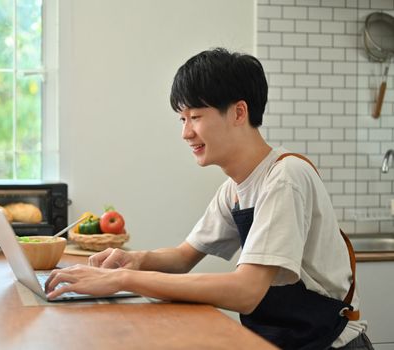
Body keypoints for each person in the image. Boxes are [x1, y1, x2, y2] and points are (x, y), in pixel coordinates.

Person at [45, 48, 372, 349]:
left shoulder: (285, 178)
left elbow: (246, 292)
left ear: (239, 112)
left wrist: (121, 279)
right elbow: (182, 258)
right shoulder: (234, 189)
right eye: (182, 119)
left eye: (196, 116)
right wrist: (136, 260)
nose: (185, 132)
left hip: (332, 344)